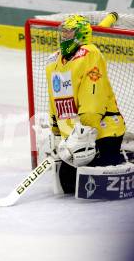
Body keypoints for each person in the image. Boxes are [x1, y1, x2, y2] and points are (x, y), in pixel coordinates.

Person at [44, 15, 126, 194]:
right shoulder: (53, 62)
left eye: (69, 33)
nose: (64, 36)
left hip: (102, 130)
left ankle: (119, 155)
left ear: (80, 35)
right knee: (67, 184)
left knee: (95, 181)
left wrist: (85, 132)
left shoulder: (90, 54)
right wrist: (57, 132)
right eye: (63, 32)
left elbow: (92, 99)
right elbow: (54, 99)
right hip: (75, 136)